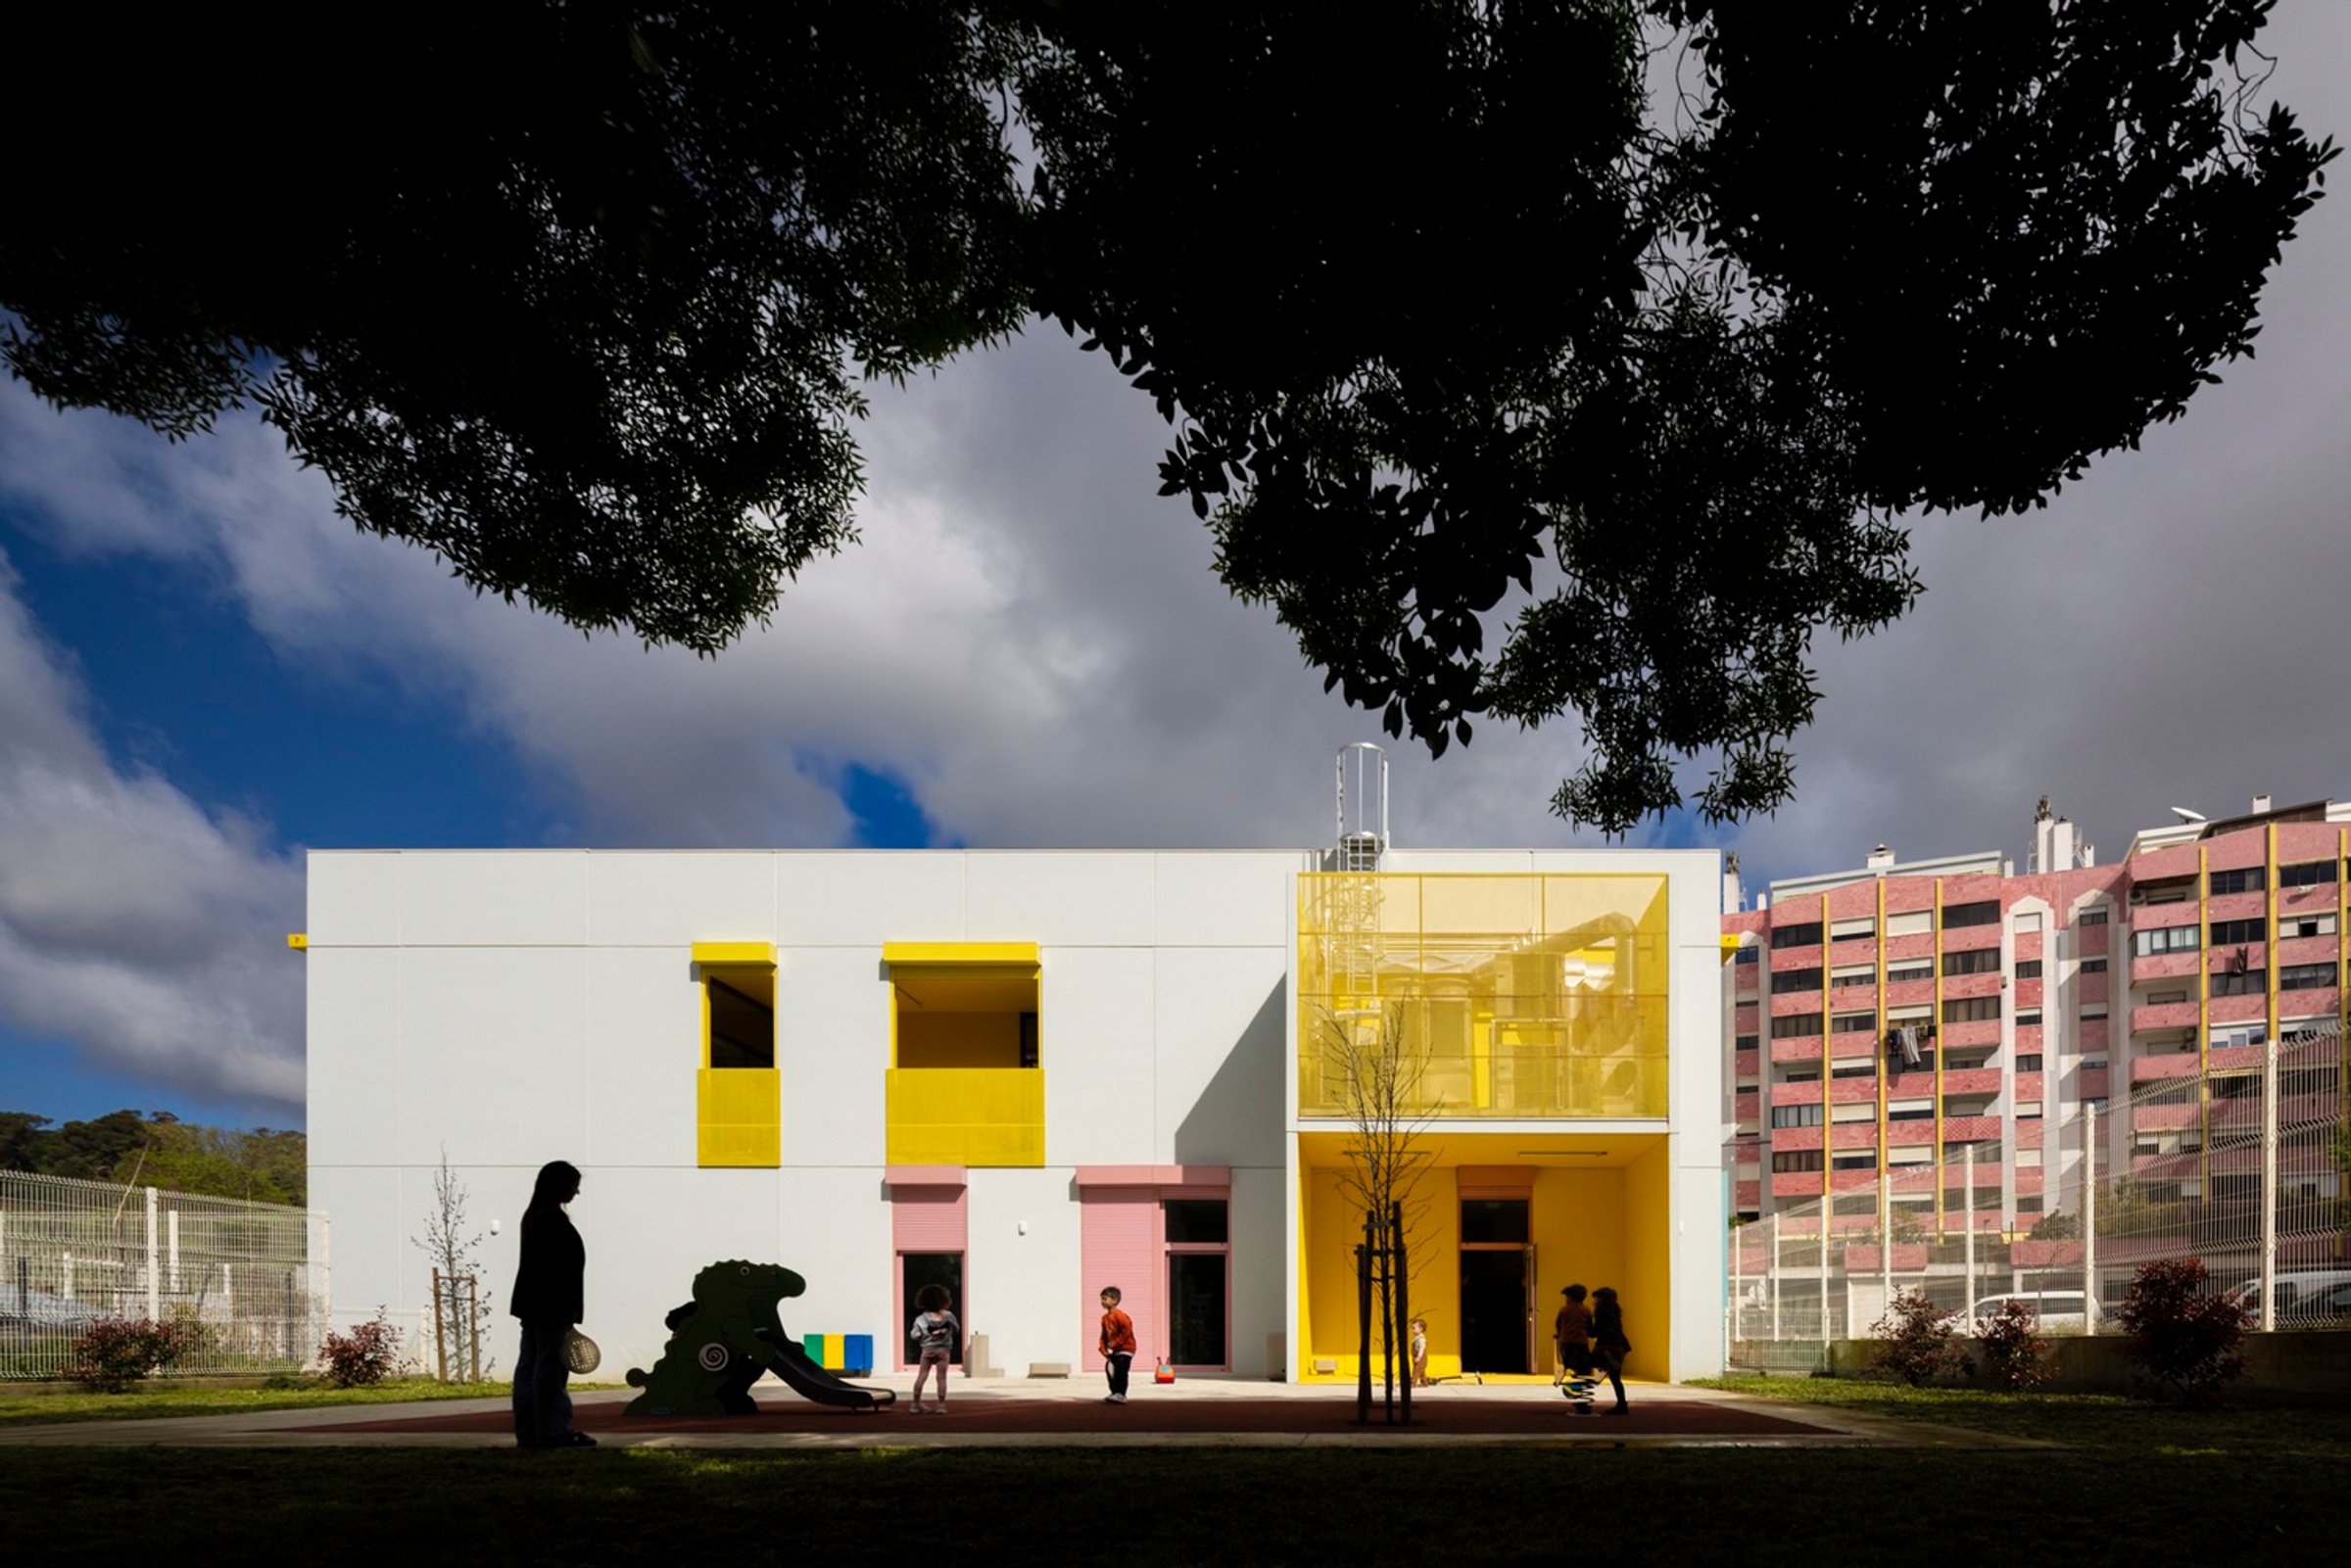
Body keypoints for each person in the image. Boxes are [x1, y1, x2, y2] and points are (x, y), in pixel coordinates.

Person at [509, 1159, 593, 1449]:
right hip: (552, 1306)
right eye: (573, 1186)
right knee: (550, 1369)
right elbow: (558, 1270)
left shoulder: (534, 1217)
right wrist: (568, 1309)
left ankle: (530, 1432)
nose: (576, 1193)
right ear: (559, 1185)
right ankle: (553, 1431)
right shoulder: (552, 1220)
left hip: (533, 1304)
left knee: (531, 1366)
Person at [908, 1282, 959, 1413]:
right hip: (944, 1350)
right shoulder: (949, 1316)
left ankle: (915, 1403)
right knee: (941, 1378)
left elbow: (914, 1335)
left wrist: (924, 1336)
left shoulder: (921, 1318)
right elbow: (956, 1328)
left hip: (927, 1350)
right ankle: (941, 1405)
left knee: (922, 1376)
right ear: (944, 1299)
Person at [1591, 1285, 1631, 1414]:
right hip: (1620, 1345)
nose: (1594, 1301)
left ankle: (1606, 1358)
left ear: (1602, 1299)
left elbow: (1595, 1331)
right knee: (1615, 1377)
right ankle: (1621, 1404)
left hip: (1607, 1344)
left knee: (1587, 1363)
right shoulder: (1615, 1312)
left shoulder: (1601, 1312)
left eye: (1596, 1298)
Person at [1097, 1285, 1135, 1404]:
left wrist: (1116, 1342)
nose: (1102, 1301)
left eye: (1105, 1299)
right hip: (1115, 1350)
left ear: (1114, 1300)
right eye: (1102, 1299)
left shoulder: (1120, 1315)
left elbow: (1127, 1330)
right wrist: (1103, 1349)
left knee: (1120, 1370)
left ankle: (1121, 1394)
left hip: (1126, 1349)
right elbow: (1104, 1335)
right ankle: (1114, 1392)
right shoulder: (1104, 1318)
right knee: (1109, 1368)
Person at [1554, 1284, 1594, 1386]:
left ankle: (1572, 1379)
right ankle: (1581, 1384)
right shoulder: (1586, 1310)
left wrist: (1560, 1334)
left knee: (1568, 1364)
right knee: (1584, 1368)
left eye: (1566, 1297)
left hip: (1566, 1342)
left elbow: (1558, 1324)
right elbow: (1589, 1326)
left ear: (1570, 1297)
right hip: (1581, 1343)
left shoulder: (1564, 1310)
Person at [1410, 1316, 1429, 1388]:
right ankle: (1424, 1383)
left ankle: (1413, 1383)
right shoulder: (1416, 1338)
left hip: (1421, 1357)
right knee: (1421, 1371)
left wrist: (1419, 1357)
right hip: (1416, 1356)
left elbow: (1422, 1348)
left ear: (1421, 1329)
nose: (1412, 1329)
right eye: (1412, 1328)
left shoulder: (1421, 1339)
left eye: (1414, 1328)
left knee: (1416, 1371)